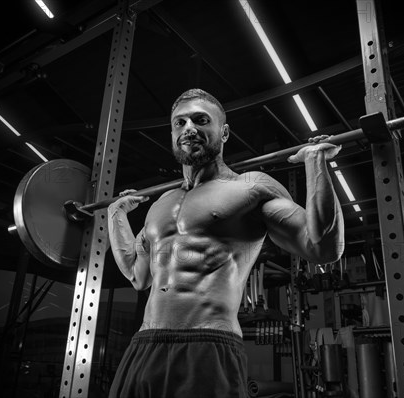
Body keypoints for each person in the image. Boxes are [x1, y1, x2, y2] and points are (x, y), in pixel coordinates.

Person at [107, 88, 344, 398]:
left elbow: (323, 248)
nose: (188, 128)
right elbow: (137, 276)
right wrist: (116, 215)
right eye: (180, 123)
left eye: (200, 120)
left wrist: (315, 164)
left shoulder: (251, 188)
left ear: (225, 132)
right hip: (144, 344)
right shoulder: (161, 203)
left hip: (207, 345)